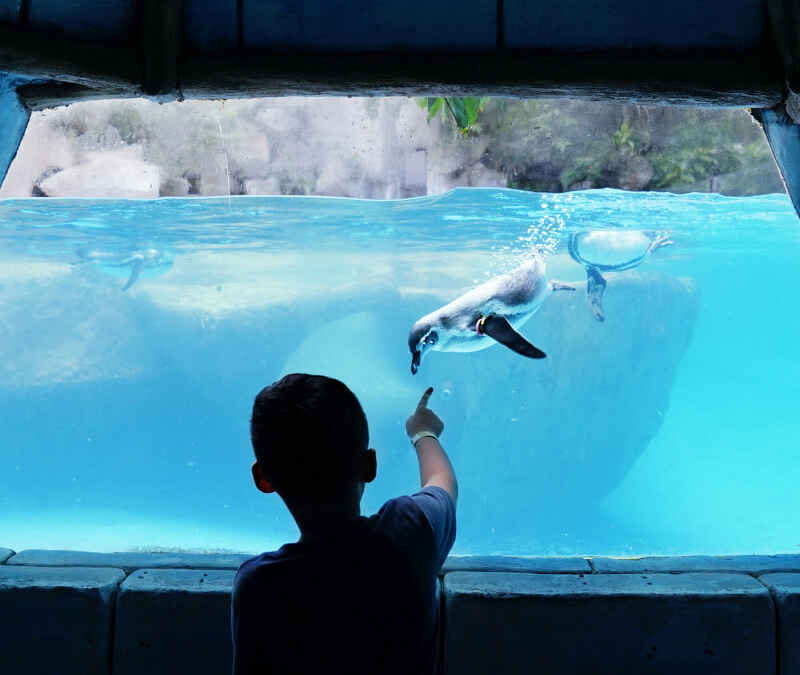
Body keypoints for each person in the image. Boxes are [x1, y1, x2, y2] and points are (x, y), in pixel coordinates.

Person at [231, 373, 457, 675]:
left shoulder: (257, 586)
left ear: (263, 479)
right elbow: (442, 484)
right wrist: (423, 432)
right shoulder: (407, 533)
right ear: (369, 464)